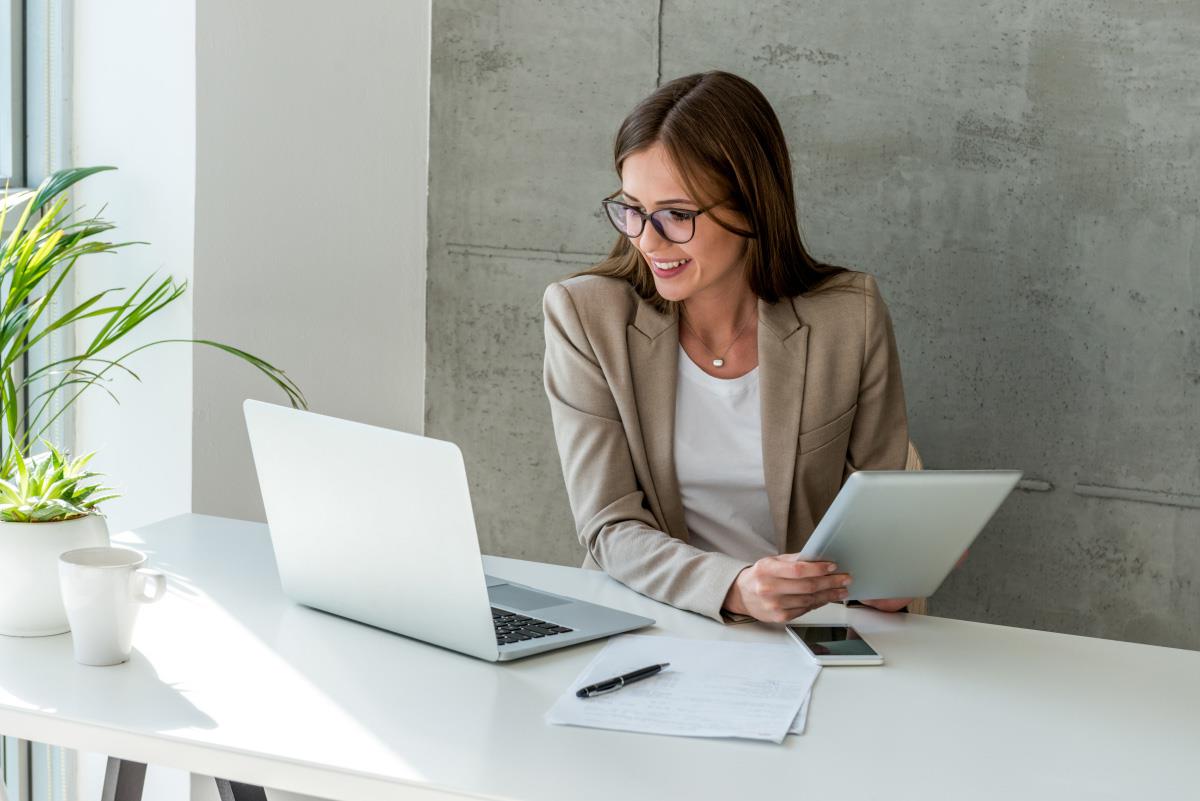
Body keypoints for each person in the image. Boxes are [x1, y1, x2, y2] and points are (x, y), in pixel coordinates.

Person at [541, 70, 915, 624]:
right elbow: (608, 526)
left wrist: (890, 574)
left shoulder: (848, 316)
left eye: (676, 214)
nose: (647, 239)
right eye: (632, 209)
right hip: (654, 617)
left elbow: (877, 517)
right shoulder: (586, 316)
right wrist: (734, 587)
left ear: (751, 207)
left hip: (808, 629)